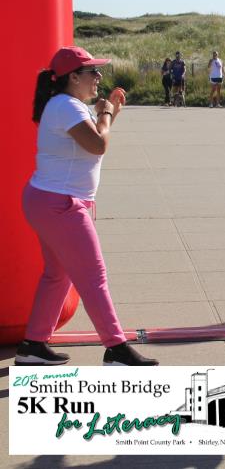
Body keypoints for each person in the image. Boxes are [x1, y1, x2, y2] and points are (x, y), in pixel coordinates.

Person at [14, 46, 158, 367]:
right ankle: (116, 348)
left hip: (48, 200)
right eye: (92, 71)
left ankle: (33, 345)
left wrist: (110, 112)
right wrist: (105, 114)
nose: (99, 76)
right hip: (61, 205)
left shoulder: (66, 104)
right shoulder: (66, 106)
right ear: (73, 77)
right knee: (94, 277)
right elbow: (97, 144)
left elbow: (91, 137)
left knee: (57, 275)